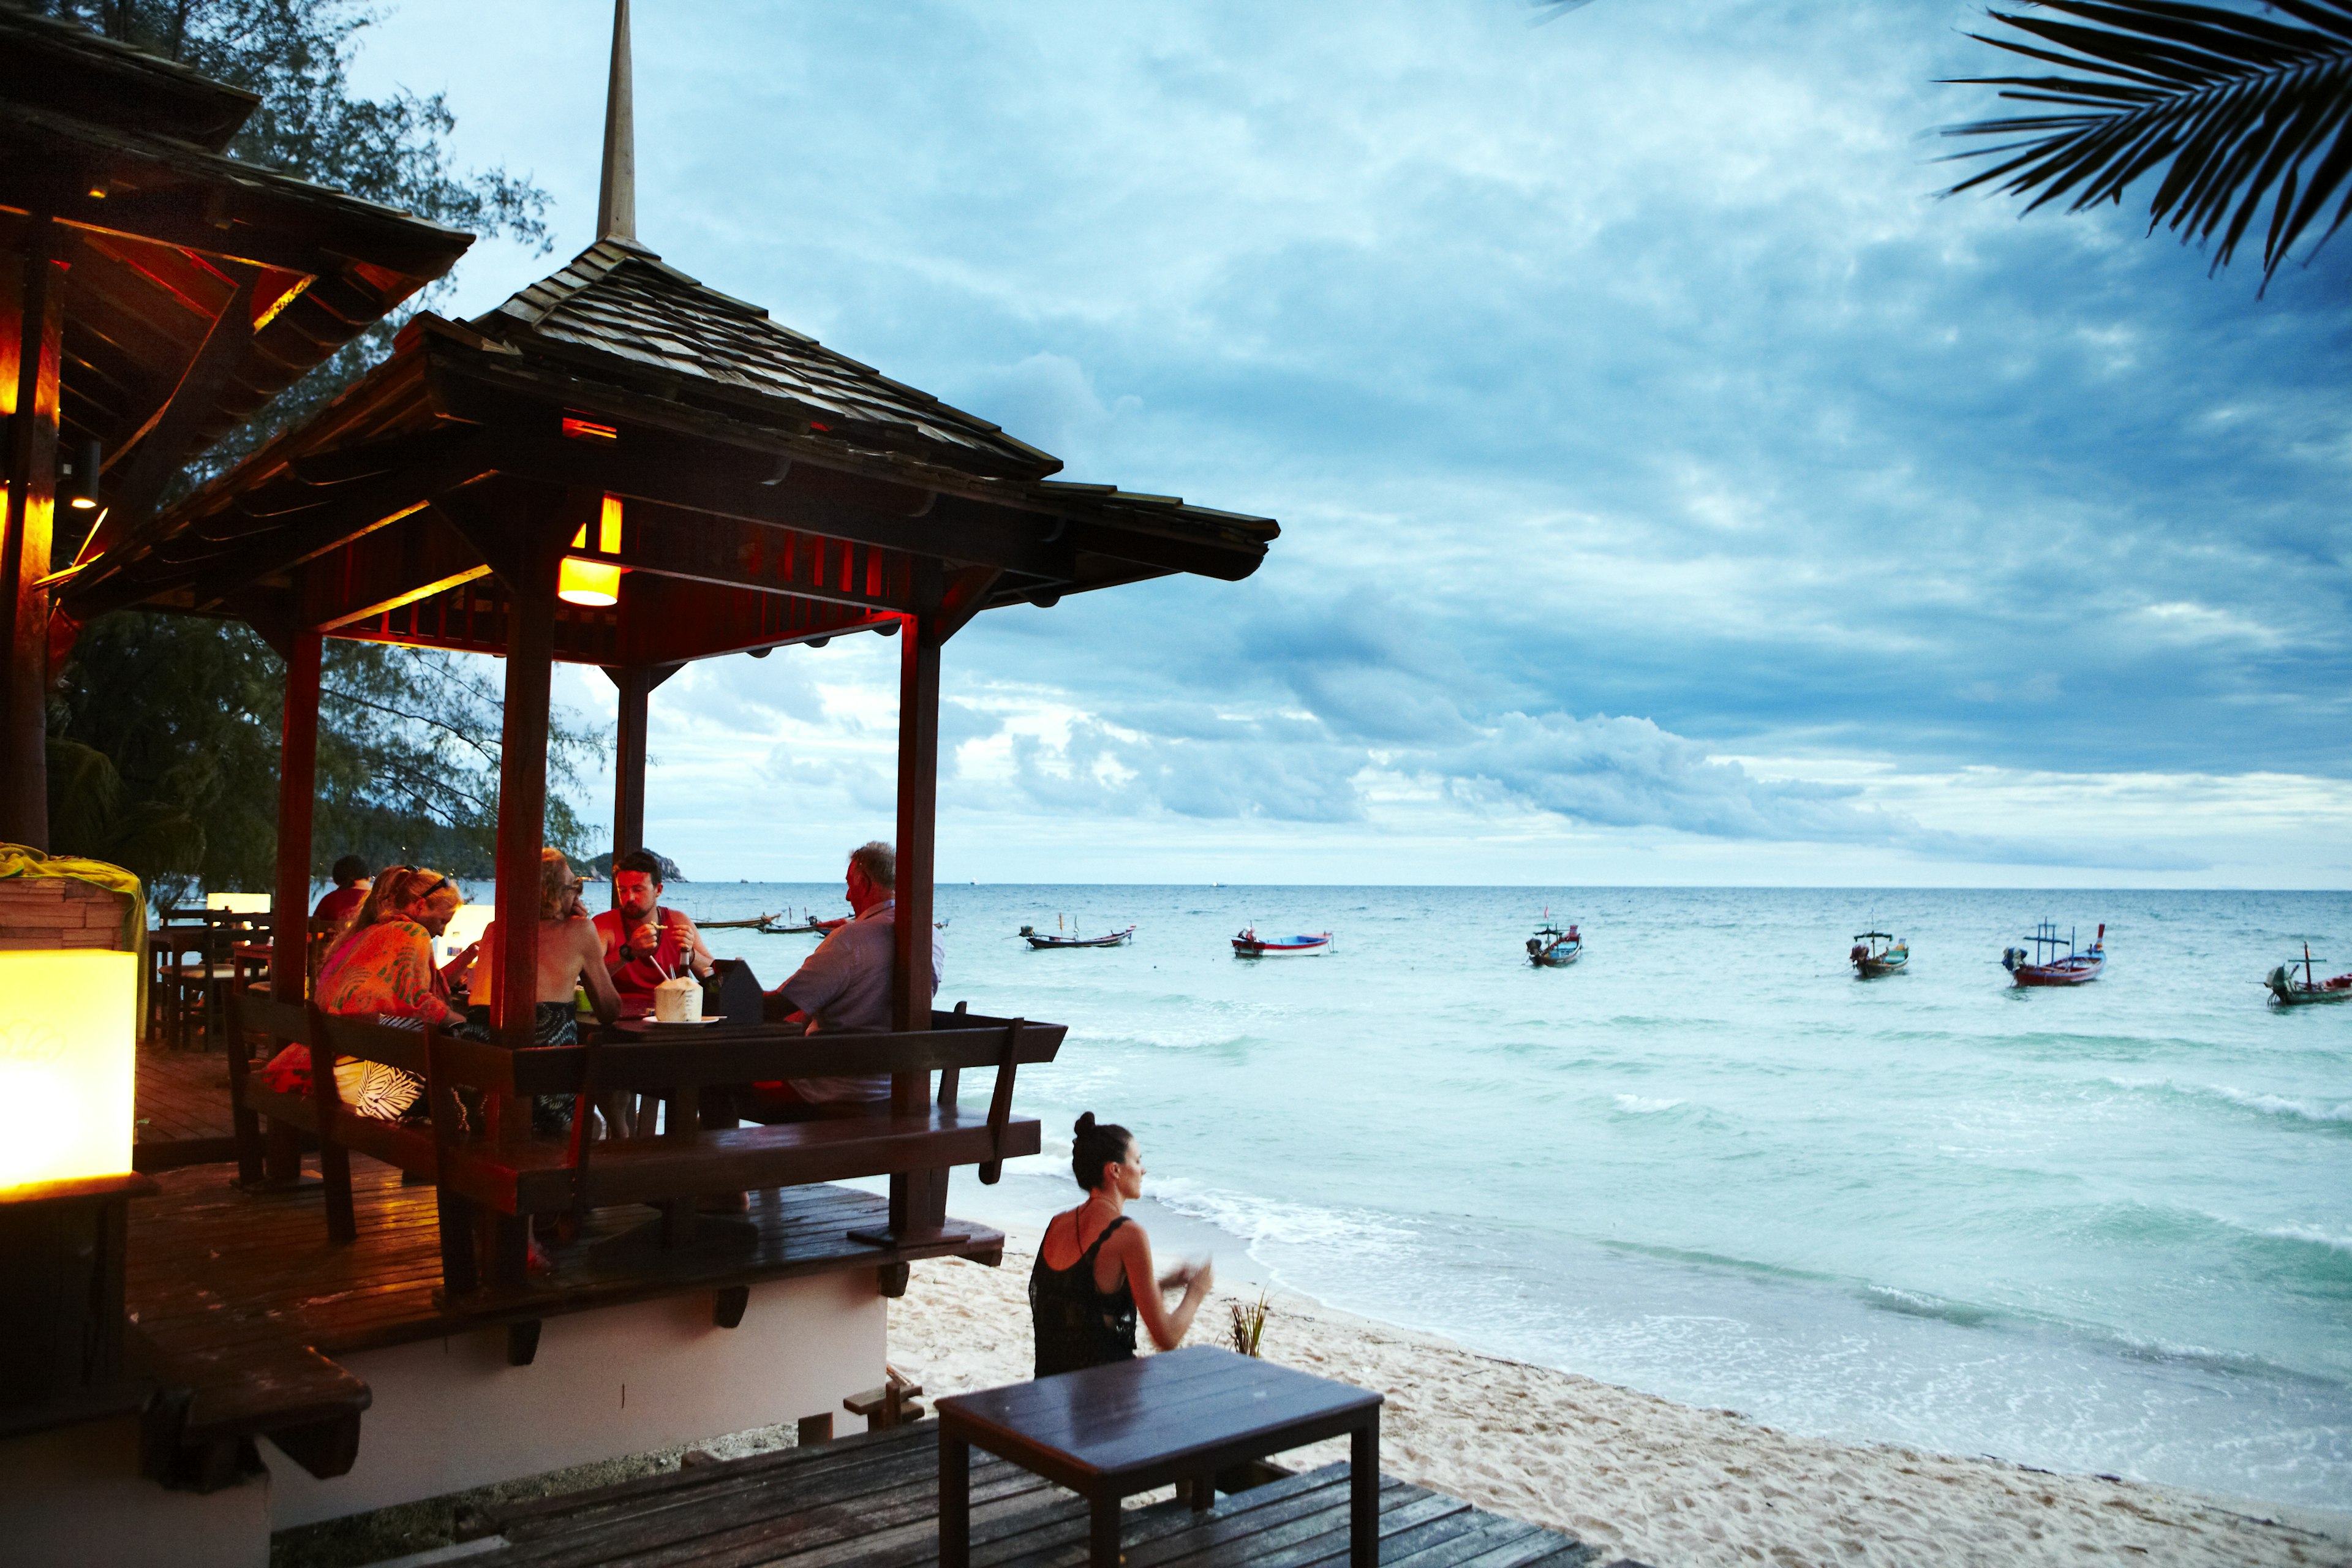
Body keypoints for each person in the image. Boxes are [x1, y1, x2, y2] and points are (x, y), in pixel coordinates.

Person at [756, 840, 944, 1114]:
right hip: (896, 1090)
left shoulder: (850, 939)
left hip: (830, 1092)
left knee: (721, 1084)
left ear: (865, 883)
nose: (847, 897)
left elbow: (780, 1006)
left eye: (849, 885)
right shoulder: (932, 936)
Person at [1031, 1114, 1212, 1377]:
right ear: (1114, 1170)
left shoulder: (1058, 1224)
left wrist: (1160, 1286)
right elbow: (1167, 1337)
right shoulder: (1128, 1234)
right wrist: (1197, 1291)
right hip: (1103, 1395)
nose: (1143, 1170)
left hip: (1050, 1388)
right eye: (1137, 1161)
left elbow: (1083, 1302)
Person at [475, 850, 623, 1136]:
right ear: (554, 892)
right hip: (540, 1105)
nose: (578, 895)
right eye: (575, 887)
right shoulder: (580, 930)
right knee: (593, 1126)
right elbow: (609, 1010)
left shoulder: (494, 931)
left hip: (482, 1098)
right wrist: (583, 927)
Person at [593, 848, 712, 1013]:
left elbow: (714, 975)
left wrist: (691, 955)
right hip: (618, 1018)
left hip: (671, 1015)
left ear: (659, 890)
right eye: (623, 890)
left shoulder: (677, 921)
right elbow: (588, 977)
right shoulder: (604, 925)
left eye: (638, 889)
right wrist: (628, 952)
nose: (630, 898)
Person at [312, 856, 371, 935]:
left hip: (333, 947)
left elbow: (313, 932)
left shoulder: (330, 899)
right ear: (368, 878)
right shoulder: (377, 899)